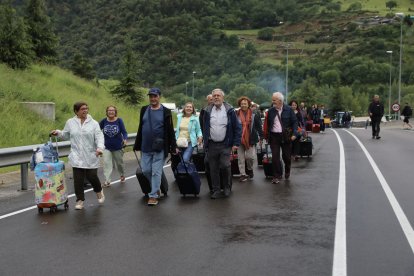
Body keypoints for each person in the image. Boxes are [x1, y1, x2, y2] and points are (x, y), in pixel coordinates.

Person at [51, 101, 105, 210]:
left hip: (91, 154)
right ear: (76, 111)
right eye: (82, 109)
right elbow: (66, 134)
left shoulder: (93, 123)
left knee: (92, 176)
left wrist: (100, 148)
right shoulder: (70, 122)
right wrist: (58, 133)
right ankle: (80, 200)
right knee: (78, 179)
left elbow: (99, 137)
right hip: (76, 155)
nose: (85, 110)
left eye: (86, 108)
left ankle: (99, 191)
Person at [133, 88, 178, 206]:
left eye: (155, 96)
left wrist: (173, 146)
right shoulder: (144, 109)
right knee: (146, 170)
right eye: (151, 96)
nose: (153, 98)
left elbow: (170, 131)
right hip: (145, 147)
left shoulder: (166, 112)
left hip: (160, 147)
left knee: (156, 172)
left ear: (159, 97)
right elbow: (140, 128)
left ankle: (153, 195)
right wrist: (137, 144)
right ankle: (156, 187)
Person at [201, 88, 241, 199]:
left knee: (225, 165)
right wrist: (205, 141)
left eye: (219, 95)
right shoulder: (207, 111)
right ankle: (216, 190)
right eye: (214, 96)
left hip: (225, 144)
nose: (216, 97)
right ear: (212, 98)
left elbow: (237, 127)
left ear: (223, 98)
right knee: (213, 168)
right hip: (212, 144)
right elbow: (204, 127)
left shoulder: (229, 110)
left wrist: (236, 143)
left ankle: (227, 187)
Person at [263, 92, 297, 184]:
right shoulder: (270, 111)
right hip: (274, 137)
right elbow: (268, 125)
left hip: (286, 136)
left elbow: (294, 122)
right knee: (275, 157)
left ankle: (287, 169)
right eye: (272, 100)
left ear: (280, 101)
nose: (272, 102)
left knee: (286, 157)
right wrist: (266, 136)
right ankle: (276, 176)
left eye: (274, 100)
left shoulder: (289, 110)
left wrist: (294, 134)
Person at [236, 96, 264, 182]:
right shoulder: (236, 114)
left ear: (248, 104)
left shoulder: (254, 114)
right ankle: (242, 174)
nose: (243, 105)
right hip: (239, 139)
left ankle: (250, 168)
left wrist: (261, 136)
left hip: (250, 139)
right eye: (242, 103)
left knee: (250, 157)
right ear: (239, 104)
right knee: (240, 158)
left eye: (245, 103)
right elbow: (233, 126)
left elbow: (258, 126)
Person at [99, 105, 128, 187]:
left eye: (113, 110)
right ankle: (107, 181)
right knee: (107, 163)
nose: (111, 112)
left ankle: (122, 174)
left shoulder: (119, 121)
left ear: (115, 112)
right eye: (109, 110)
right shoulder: (104, 121)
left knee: (119, 164)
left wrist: (125, 139)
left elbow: (124, 132)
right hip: (106, 147)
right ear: (107, 112)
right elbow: (97, 130)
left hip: (118, 147)